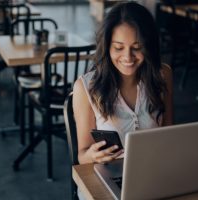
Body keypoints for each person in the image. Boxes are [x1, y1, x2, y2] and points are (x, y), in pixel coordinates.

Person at [73, 2, 173, 165]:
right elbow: (82, 156)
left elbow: (170, 134)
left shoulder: (163, 75)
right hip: (110, 174)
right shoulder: (85, 88)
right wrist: (92, 155)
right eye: (118, 48)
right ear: (107, 46)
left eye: (137, 47)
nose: (128, 57)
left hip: (153, 170)